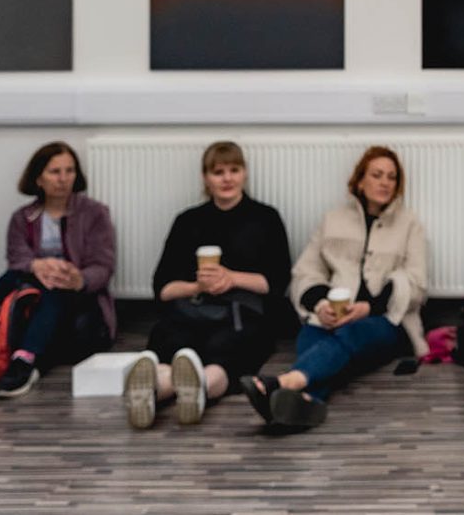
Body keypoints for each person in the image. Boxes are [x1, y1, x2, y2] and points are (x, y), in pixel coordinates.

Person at [243, 145, 428, 431]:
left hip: (387, 321)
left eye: (392, 177)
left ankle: (283, 383)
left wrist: (370, 307)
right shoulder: (334, 220)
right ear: (360, 181)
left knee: (349, 335)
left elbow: (416, 282)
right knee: (312, 337)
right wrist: (321, 306)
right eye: (377, 175)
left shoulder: (409, 224)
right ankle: (304, 403)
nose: (385, 182)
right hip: (333, 317)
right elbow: (305, 271)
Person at [123, 140, 293, 430]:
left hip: (243, 314)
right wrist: (196, 287)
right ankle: (157, 391)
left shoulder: (265, 218)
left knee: (226, 352)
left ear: (245, 173)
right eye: (218, 172)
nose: (227, 179)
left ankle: (193, 388)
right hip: (191, 310)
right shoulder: (187, 221)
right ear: (205, 178)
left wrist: (232, 278)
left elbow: (277, 282)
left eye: (234, 170)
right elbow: (162, 288)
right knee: (171, 342)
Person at [0, 141, 116, 401]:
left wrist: (79, 279)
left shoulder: (94, 213)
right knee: (2, 284)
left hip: (78, 296)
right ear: (38, 178)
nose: (63, 179)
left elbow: (103, 265)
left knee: (56, 286)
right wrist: (36, 265)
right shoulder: (22, 217)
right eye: (55, 172)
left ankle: (24, 360)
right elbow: (17, 257)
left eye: (69, 171)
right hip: (33, 286)